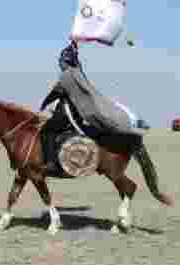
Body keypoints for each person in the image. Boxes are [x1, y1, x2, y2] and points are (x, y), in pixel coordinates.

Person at [39, 39, 142, 172]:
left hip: (68, 115)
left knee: (46, 131)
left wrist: (42, 106)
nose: (60, 63)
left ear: (66, 61)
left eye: (61, 61)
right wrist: (74, 44)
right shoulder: (79, 73)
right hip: (80, 115)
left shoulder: (66, 76)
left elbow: (53, 94)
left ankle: (51, 163)